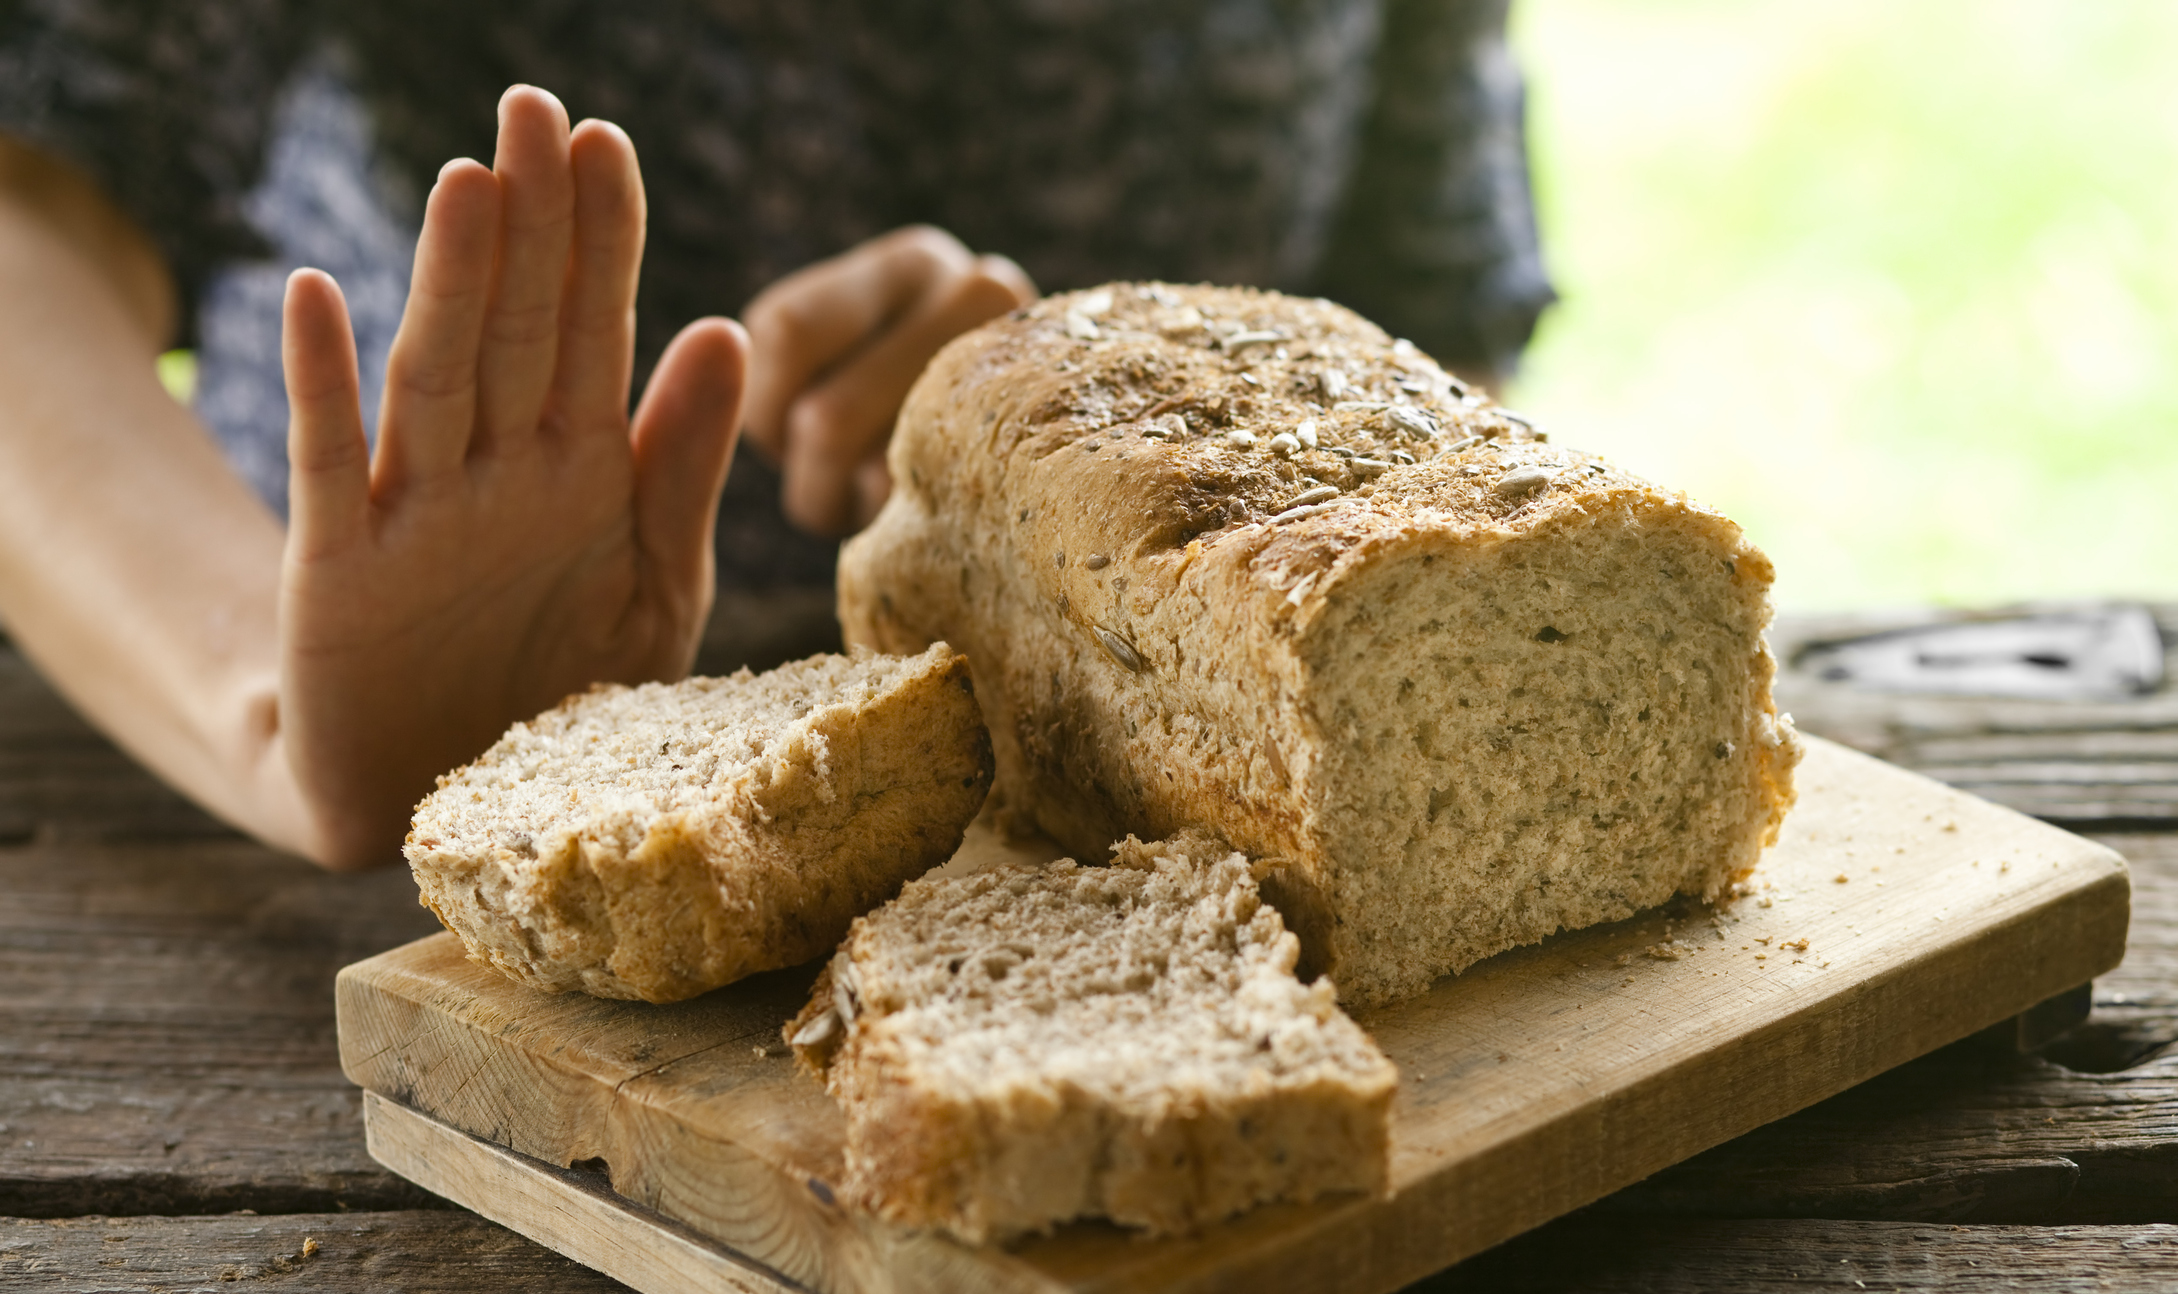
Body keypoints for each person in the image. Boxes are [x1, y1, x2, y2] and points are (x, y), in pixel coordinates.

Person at [0, 2, 1552, 868]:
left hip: (1107, 837)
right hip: (305, 794)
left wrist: (1080, 409)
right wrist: (265, 708)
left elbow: (1425, 325)